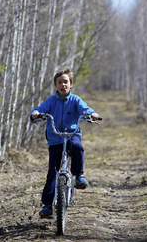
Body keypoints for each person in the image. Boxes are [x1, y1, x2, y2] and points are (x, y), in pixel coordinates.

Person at [30, 67, 100, 219]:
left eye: (66, 82)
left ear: (71, 84)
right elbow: (40, 109)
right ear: (56, 85)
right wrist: (35, 114)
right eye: (60, 82)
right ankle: (48, 206)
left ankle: (79, 175)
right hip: (55, 138)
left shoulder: (75, 100)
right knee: (52, 173)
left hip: (71, 135)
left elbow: (85, 109)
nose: (63, 85)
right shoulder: (51, 101)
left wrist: (92, 114)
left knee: (77, 147)